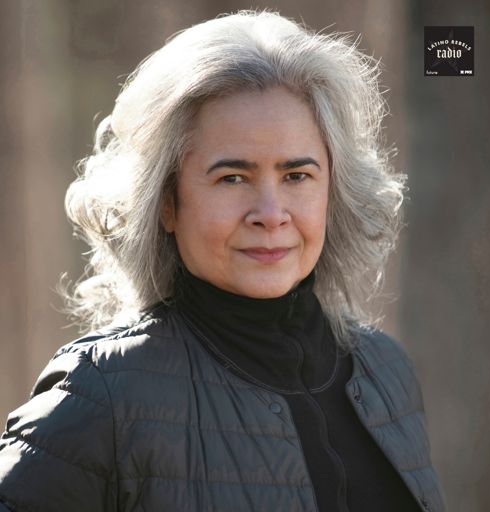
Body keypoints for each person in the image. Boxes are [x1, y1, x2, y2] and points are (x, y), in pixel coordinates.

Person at [0, 9, 445, 512]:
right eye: (232, 178)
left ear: (333, 191)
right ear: (165, 203)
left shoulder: (386, 373)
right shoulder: (99, 393)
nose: (271, 214)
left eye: (297, 176)